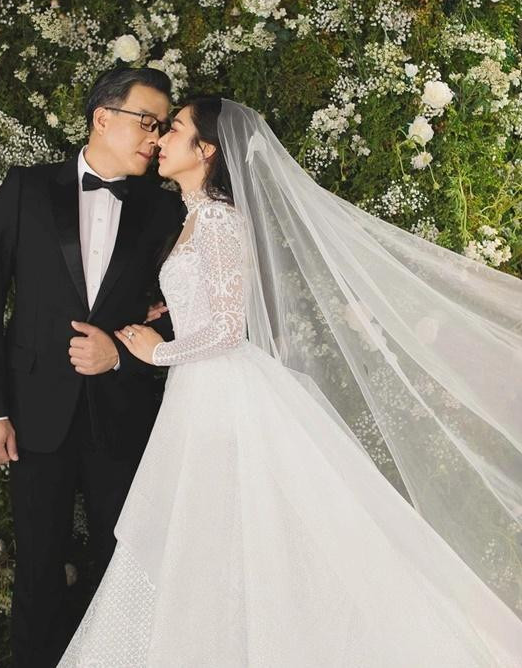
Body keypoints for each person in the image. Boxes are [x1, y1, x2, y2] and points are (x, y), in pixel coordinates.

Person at [57, 96, 522, 667]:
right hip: (200, 393)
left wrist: (160, 351)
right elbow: (212, 303)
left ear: (206, 150)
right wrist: (169, 311)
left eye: (174, 129)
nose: (161, 139)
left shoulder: (220, 220)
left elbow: (227, 330)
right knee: (210, 534)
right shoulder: (197, 217)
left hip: (220, 393)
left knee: (225, 529)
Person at [0, 67, 184, 668]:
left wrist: (119, 353)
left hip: (127, 415)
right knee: (37, 572)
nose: (156, 137)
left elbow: (192, 313)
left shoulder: (165, 210)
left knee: (125, 569)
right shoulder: (26, 188)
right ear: (102, 118)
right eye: (147, 121)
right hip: (34, 416)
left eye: (163, 126)